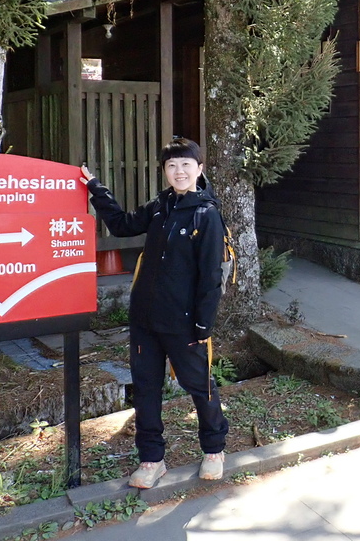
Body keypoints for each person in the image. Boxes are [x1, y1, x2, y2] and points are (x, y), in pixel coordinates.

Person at [80, 137, 229, 488]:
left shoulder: (206, 214)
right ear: (165, 171)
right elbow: (122, 224)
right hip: (145, 320)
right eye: (172, 166)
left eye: (186, 165)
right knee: (146, 389)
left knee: (200, 385)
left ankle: (214, 449)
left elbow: (211, 276)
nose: (179, 171)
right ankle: (151, 459)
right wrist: (95, 188)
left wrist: (203, 325)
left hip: (184, 323)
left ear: (199, 169)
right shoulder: (160, 207)